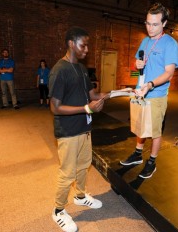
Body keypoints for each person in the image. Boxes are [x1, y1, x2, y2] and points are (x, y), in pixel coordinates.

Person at [49, 26, 107, 232]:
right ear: (71, 44)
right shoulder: (59, 70)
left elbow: (93, 95)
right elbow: (55, 107)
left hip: (84, 129)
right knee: (67, 173)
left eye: (88, 45)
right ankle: (58, 211)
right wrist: (85, 108)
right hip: (68, 132)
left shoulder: (82, 69)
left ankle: (81, 196)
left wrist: (118, 92)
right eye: (84, 44)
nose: (87, 49)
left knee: (84, 165)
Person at [120, 2, 178, 179]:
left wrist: (150, 85)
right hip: (141, 93)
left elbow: (169, 73)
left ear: (164, 23)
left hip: (156, 95)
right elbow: (138, 65)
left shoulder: (170, 44)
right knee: (140, 127)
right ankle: (138, 154)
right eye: (147, 23)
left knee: (155, 131)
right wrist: (137, 65)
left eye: (154, 24)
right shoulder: (145, 41)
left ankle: (152, 162)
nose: (150, 28)